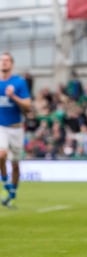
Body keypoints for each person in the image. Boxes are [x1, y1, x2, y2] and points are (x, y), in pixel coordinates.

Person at [0, 53, 32, 208]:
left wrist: (13, 97)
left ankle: (12, 193)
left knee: (15, 165)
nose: (3, 63)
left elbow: (27, 106)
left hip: (16, 128)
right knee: (1, 153)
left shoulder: (19, 82)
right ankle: (4, 179)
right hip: (1, 127)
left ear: (11, 64)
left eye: (6, 60)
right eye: (1, 60)